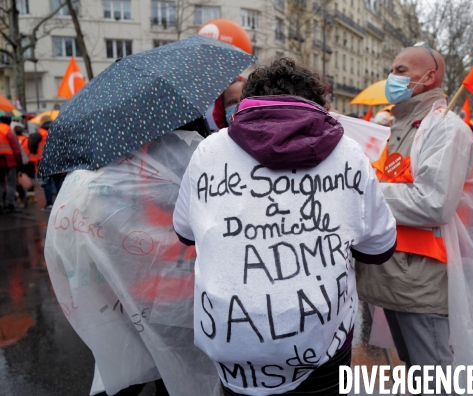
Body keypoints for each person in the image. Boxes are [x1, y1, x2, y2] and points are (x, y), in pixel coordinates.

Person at [173, 58, 397, 396]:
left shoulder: (209, 151)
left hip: (232, 343)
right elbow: (380, 248)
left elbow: (185, 232)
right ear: (320, 103)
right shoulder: (350, 155)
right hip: (321, 340)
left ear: (247, 102)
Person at [356, 45, 473, 393]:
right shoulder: (404, 127)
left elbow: (433, 204)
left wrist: (364, 191)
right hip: (397, 278)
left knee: (435, 382)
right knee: (420, 376)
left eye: (400, 70)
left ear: (429, 76)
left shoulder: (446, 130)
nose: (392, 77)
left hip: (421, 281)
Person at [44, 117, 221, 396]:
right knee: (180, 371)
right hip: (187, 295)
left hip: (136, 292)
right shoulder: (196, 157)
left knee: (135, 366)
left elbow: (100, 224)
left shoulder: (115, 163)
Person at [0, 115, 22, 213]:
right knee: (11, 183)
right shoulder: (8, 130)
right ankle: (10, 204)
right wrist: (18, 160)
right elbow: (16, 147)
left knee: (0, 183)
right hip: (8, 160)